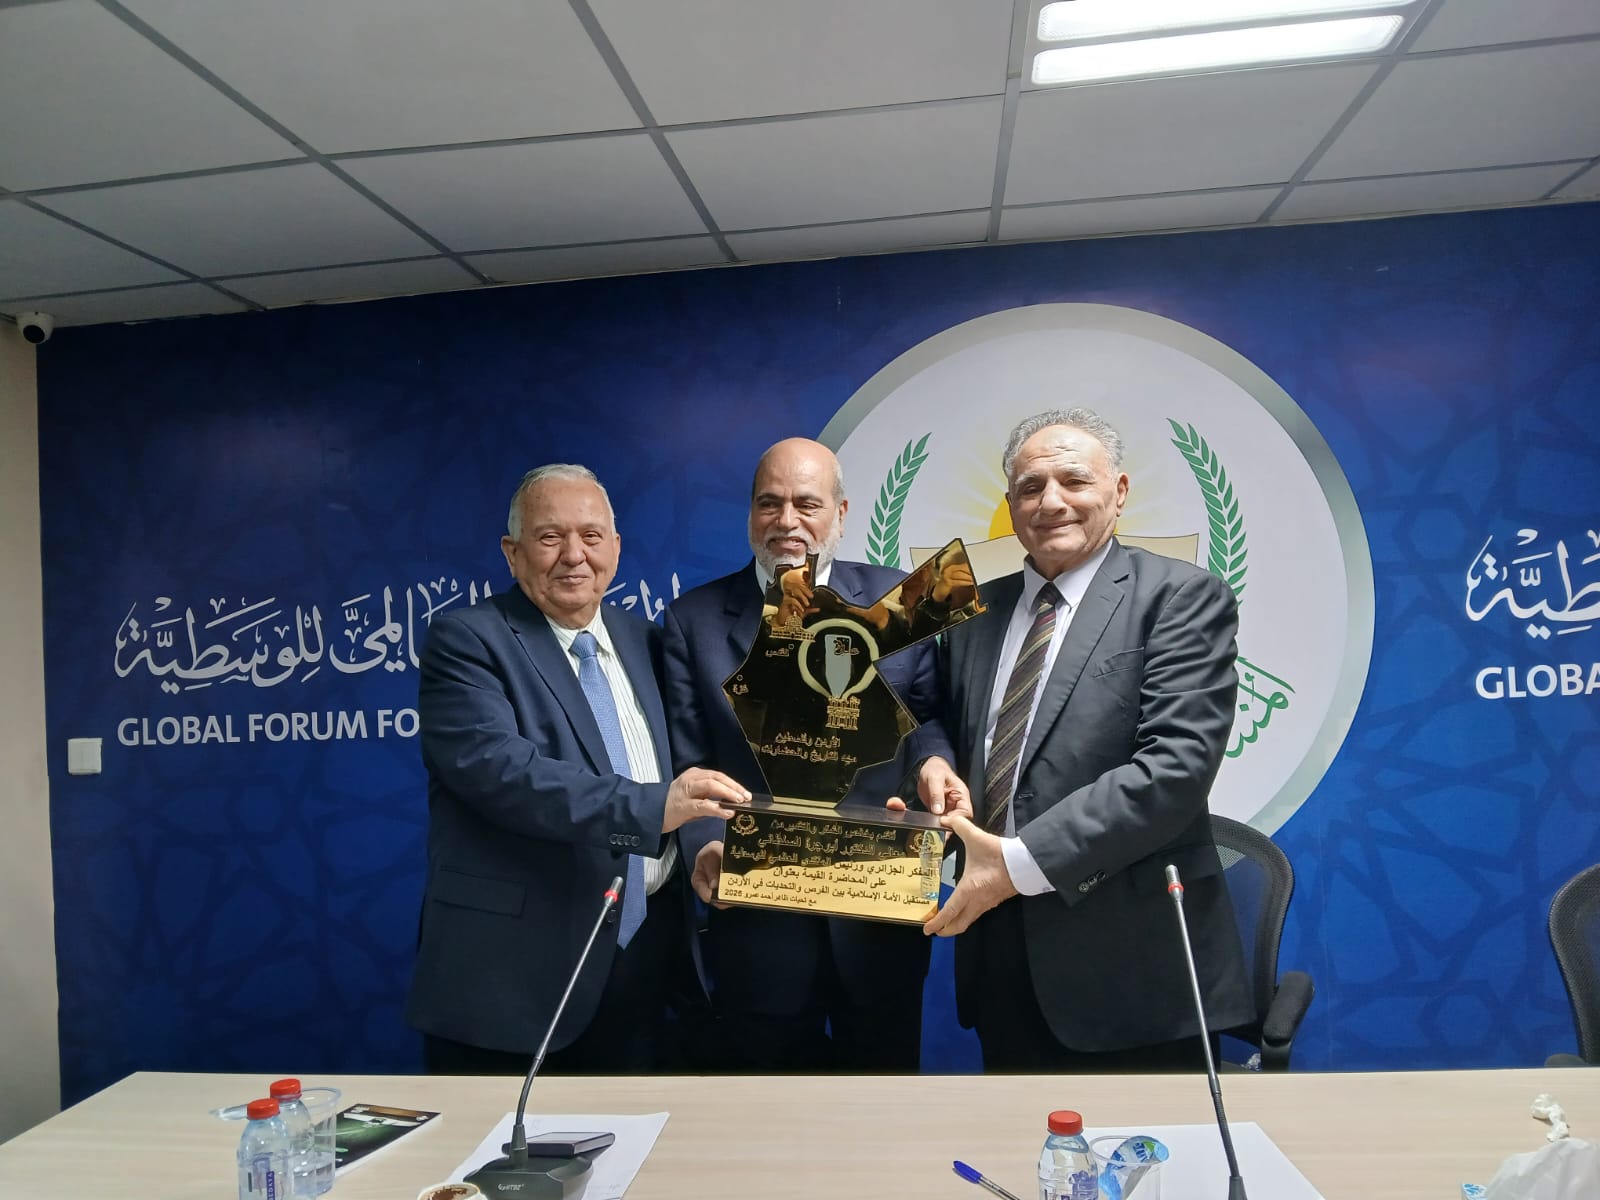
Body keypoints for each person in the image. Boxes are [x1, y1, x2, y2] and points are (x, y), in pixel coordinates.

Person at [921, 408, 1252, 1072]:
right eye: (1030, 487)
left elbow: (1175, 768)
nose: (1051, 502)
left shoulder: (1181, 597)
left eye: (1074, 480)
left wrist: (1013, 866)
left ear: (1119, 491)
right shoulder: (969, 612)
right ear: (1010, 504)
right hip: (1003, 960)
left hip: (1135, 972)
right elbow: (932, 713)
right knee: (1021, 1138)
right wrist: (933, 759)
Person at [405, 464, 749, 1074]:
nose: (573, 556)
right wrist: (655, 808)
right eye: (549, 537)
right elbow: (503, 774)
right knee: (503, 1139)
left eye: (591, 536)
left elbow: (692, 763)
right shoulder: (466, 641)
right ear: (512, 553)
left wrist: (704, 841)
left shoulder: (649, 640)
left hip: (651, 967)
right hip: (517, 978)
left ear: (615, 548)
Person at [661, 437, 967, 1071]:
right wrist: (706, 847)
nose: (787, 521)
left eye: (807, 503)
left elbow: (928, 718)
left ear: (842, 513)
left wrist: (932, 763)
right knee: (765, 1114)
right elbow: (687, 763)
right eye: (769, 504)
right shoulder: (693, 621)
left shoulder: (906, 600)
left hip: (880, 914)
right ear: (750, 514)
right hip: (757, 922)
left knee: (882, 1109)